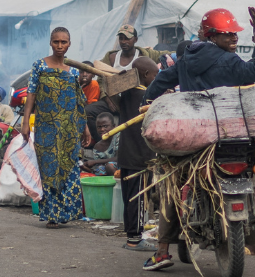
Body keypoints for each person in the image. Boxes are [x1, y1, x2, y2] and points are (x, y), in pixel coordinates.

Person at [142, 7, 255, 271]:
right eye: (229, 35)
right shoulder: (228, 62)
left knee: (175, 183)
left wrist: (148, 103)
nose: (235, 39)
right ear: (213, 36)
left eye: (236, 34)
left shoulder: (185, 59)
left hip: (194, 138)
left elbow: (161, 81)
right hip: (231, 138)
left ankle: (161, 251)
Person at [22, 26, 88, 227]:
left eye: (64, 42)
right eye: (56, 41)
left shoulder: (74, 70)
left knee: (68, 168)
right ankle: (52, 215)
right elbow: (31, 94)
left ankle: (66, 214)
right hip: (46, 127)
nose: (60, 46)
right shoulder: (39, 66)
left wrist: (84, 128)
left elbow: (78, 101)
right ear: (50, 43)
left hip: (69, 128)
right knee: (49, 169)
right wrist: (26, 122)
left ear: (69, 44)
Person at [113, 57, 159, 251]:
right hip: (139, 157)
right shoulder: (144, 96)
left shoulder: (127, 93)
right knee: (138, 199)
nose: (156, 79)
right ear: (146, 75)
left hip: (125, 155)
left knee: (130, 199)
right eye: (155, 75)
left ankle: (131, 236)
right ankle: (135, 239)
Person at [101, 24, 165, 70]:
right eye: (121, 38)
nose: (123, 41)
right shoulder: (112, 58)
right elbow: (101, 78)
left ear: (135, 40)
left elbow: (165, 54)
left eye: (127, 38)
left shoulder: (143, 55)